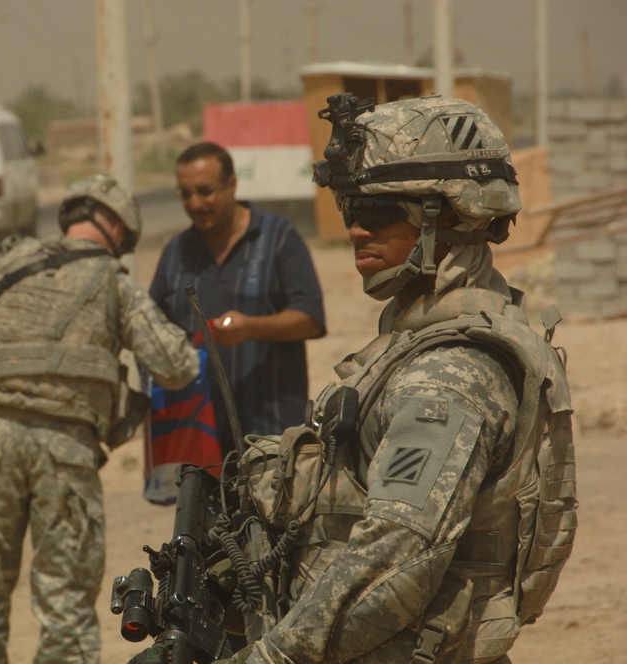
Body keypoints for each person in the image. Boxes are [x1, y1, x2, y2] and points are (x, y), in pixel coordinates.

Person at [211, 95, 577, 663]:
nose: (356, 230)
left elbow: (396, 557)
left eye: (378, 212)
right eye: (348, 208)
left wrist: (271, 657)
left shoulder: (448, 374)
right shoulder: (422, 337)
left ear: (452, 215)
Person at [0, 174, 200, 664]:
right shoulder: (113, 282)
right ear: (117, 229)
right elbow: (176, 364)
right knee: (65, 604)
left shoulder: (4, 266)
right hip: (64, 452)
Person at [149, 141, 326, 458]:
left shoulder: (278, 238)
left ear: (232, 184)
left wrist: (252, 328)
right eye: (186, 194)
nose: (196, 203)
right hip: (198, 443)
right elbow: (151, 328)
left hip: (271, 440)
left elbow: (310, 319)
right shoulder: (176, 253)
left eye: (206, 191)